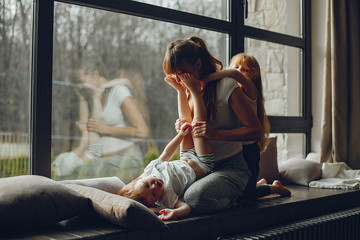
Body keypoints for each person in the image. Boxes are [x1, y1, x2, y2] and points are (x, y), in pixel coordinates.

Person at [163, 35, 263, 213]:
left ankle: (238, 196)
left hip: (230, 167)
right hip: (199, 167)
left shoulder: (226, 86)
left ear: (198, 65)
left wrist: (216, 134)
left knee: (194, 198)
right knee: (168, 193)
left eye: (181, 73)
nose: (179, 79)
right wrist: (182, 127)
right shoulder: (186, 89)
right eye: (174, 74)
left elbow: (256, 132)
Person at [118, 73, 214, 221]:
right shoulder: (166, 197)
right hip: (203, 164)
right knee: (197, 127)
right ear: (154, 202)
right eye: (154, 194)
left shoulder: (149, 169)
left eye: (147, 185)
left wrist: (181, 136)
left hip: (186, 156)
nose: (155, 187)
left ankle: (181, 91)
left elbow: (167, 152)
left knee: (185, 124)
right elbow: (186, 207)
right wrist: (174, 212)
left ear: (137, 179)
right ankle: (195, 92)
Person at [202, 53, 291, 198]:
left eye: (245, 69)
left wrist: (206, 78)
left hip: (249, 149)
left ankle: (273, 188)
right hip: (234, 150)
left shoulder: (250, 89)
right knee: (239, 191)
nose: (239, 71)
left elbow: (233, 74)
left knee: (247, 196)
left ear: (253, 75)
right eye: (236, 66)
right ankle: (259, 184)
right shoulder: (227, 90)